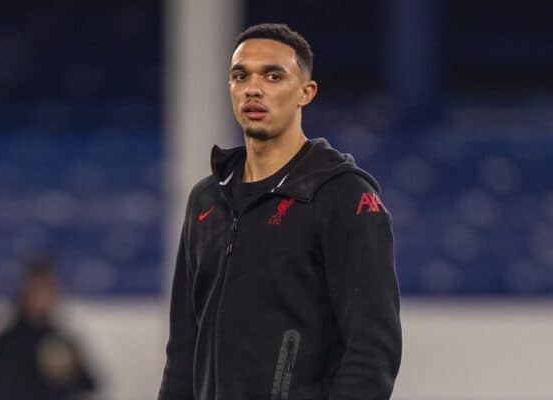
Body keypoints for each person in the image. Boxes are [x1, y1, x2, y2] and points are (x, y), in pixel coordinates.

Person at [158, 23, 401, 400]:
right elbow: (183, 354)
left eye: (273, 75)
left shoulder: (342, 195)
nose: (253, 88)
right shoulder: (206, 201)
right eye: (241, 76)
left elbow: (372, 349)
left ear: (306, 92)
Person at [0, 256, 97, 400]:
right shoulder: (7, 340)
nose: (44, 299)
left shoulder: (60, 338)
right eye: (38, 291)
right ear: (24, 293)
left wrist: (69, 374)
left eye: (49, 291)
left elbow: (89, 384)